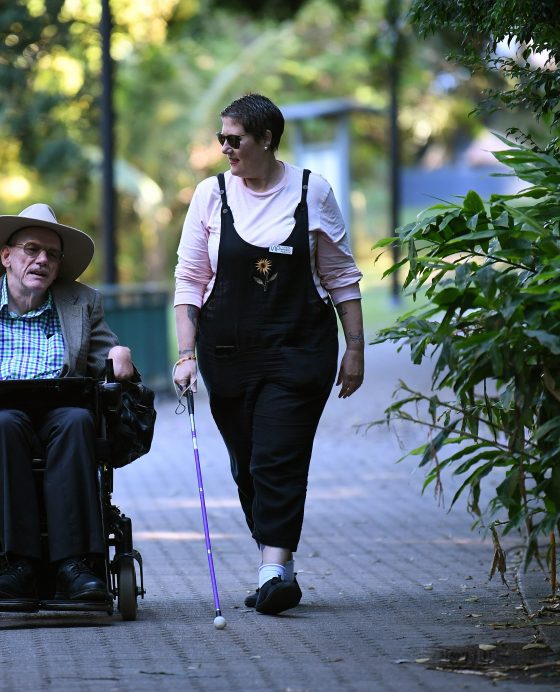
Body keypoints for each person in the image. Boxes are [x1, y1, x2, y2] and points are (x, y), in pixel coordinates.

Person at [172, 93, 365, 615]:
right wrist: (185, 355)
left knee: (278, 456)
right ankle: (277, 563)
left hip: (300, 348)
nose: (225, 150)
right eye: (222, 140)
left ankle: (274, 569)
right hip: (227, 355)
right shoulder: (210, 196)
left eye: (235, 140)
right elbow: (191, 280)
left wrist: (356, 349)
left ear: (266, 140)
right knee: (247, 465)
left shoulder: (311, 191)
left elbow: (341, 276)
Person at [0, 203, 135, 602]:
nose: (42, 260)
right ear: (6, 256)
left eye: (51, 254)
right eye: (31, 249)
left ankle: (73, 566)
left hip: (60, 409)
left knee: (76, 422)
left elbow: (111, 361)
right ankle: (16, 563)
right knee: (5, 424)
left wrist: (121, 356)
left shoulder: (81, 301)